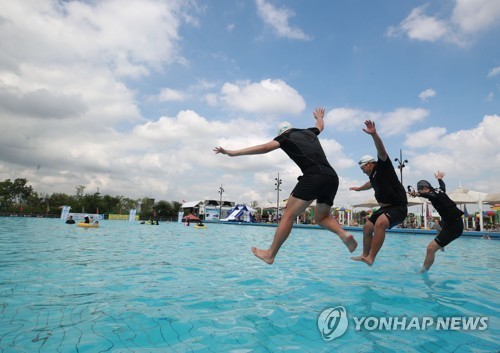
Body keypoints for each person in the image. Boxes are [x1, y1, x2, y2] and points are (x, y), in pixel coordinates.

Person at [214, 107, 357, 264]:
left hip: (313, 176)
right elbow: (320, 126)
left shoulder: (285, 137)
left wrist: (232, 153)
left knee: (288, 215)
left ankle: (270, 254)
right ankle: (344, 234)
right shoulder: (309, 132)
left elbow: (264, 148)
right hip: (331, 177)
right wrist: (320, 117)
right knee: (322, 217)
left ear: (281, 133)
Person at [349, 120, 408, 266]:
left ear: (370, 164)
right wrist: (358, 189)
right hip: (385, 208)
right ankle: (364, 254)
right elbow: (369, 184)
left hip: (398, 207)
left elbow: (381, 151)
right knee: (367, 228)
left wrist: (374, 134)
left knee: (380, 224)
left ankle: (371, 258)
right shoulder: (372, 177)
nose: (362, 171)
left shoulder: (383, 167)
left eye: (363, 168)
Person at [408, 171, 464, 272]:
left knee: (430, 248)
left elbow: (430, 195)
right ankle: (441, 244)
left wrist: (417, 194)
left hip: (454, 227)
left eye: (421, 190)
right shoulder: (440, 190)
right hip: (448, 222)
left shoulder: (434, 194)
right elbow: (442, 185)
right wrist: (439, 179)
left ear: (425, 189)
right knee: (437, 224)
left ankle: (423, 272)